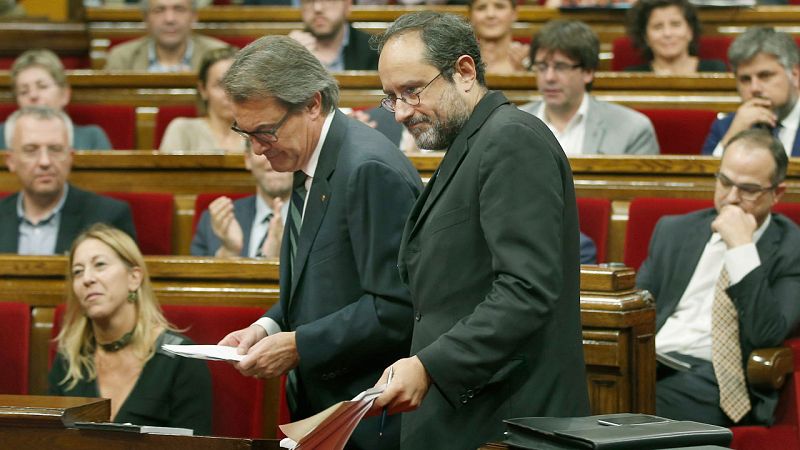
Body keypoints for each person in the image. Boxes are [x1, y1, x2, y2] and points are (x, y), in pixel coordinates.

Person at [372, 12, 590, 449]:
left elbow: (526, 289)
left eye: (412, 91)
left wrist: (431, 366)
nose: (399, 113)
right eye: (390, 97)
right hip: (464, 416)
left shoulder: (511, 139)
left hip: (506, 423)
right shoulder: (475, 141)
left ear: (465, 71)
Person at [216, 35, 422, 450]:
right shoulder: (306, 156)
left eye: (266, 132)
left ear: (312, 104)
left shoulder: (368, 169)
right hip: (327, 411)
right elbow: (319, 276)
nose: (257, 150)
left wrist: (298, 345)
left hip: (369, 419)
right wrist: (267, 326)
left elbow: (398, 307)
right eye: (245, 133)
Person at [638, 128, 800, 426]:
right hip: (653, 361)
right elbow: (637, 310)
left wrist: (741, 247)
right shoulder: (674, 231)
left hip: (719, 377)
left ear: (777, 193)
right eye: (725, 182)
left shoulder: (792, 247)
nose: (731, 199)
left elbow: (767, 333)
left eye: (749, 189)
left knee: (642, 405)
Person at [48, 224, 213, 433]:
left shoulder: (180, 360)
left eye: (99, 265)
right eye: (77, 272)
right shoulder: (69, 360)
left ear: (134, 278)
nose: (87, 279)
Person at [0, 107, 136, 255]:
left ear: (70, 156)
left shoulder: (107, 217)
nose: (45, 162)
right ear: (11, 160)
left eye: (55, 149)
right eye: (31, 150)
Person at [519, 20, 660, 155]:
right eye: (542, 67)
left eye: (561, 67)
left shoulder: (632, 129)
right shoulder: (511, 124)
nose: (549, 77)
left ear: (588, 72)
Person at [701, 27, 800, 157]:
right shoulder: (726, 126)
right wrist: (733, 136)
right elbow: (706, 175)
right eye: (745, 79)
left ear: (795, 75)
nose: (755, 88)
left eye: (765, 76)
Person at [191, 145, 293, 257]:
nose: (273, 156)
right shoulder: (215, 221)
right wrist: (229, 252)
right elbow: (198, 273)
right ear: (247, 159)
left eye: (283, 146)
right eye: (263, 145)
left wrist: (280, 260)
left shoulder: (314, 220)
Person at [0, 49, 111, 150]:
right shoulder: (2, 136)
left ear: (64, 94)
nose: (33, 95)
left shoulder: (91, 138)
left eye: (42, 86)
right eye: (23, 91)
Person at [160, 47, 245, 154]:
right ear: (203, 89)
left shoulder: (257, 135)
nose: (229, 93)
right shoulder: (182, 130)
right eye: (220, 85)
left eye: (236, 83)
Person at [105, 0, 231, 72]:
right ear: (146, 18)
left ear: (194, 16)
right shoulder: (121, 58)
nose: (169, 19)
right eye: (159, 10)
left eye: (179, 9)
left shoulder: (220, 57)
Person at [625, 0, 727, 74]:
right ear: (645, 36)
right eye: (657, 27)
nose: (667, 33)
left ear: (690, 31)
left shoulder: (716, 71)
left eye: (675, 24)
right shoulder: (633, 75)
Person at [288, 0, 378, 71]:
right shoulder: (291, 51)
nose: (317, 8)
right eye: (309, 1)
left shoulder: (373, 49)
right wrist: (288, 62)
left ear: (347, 4)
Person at [469, 0, 529, 74]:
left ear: (514, 14)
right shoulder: (459, 61)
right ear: (471, 16)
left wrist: (523, 72)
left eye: (499, 7)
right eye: (481, 8)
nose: (490, 14)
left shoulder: (529, 61)